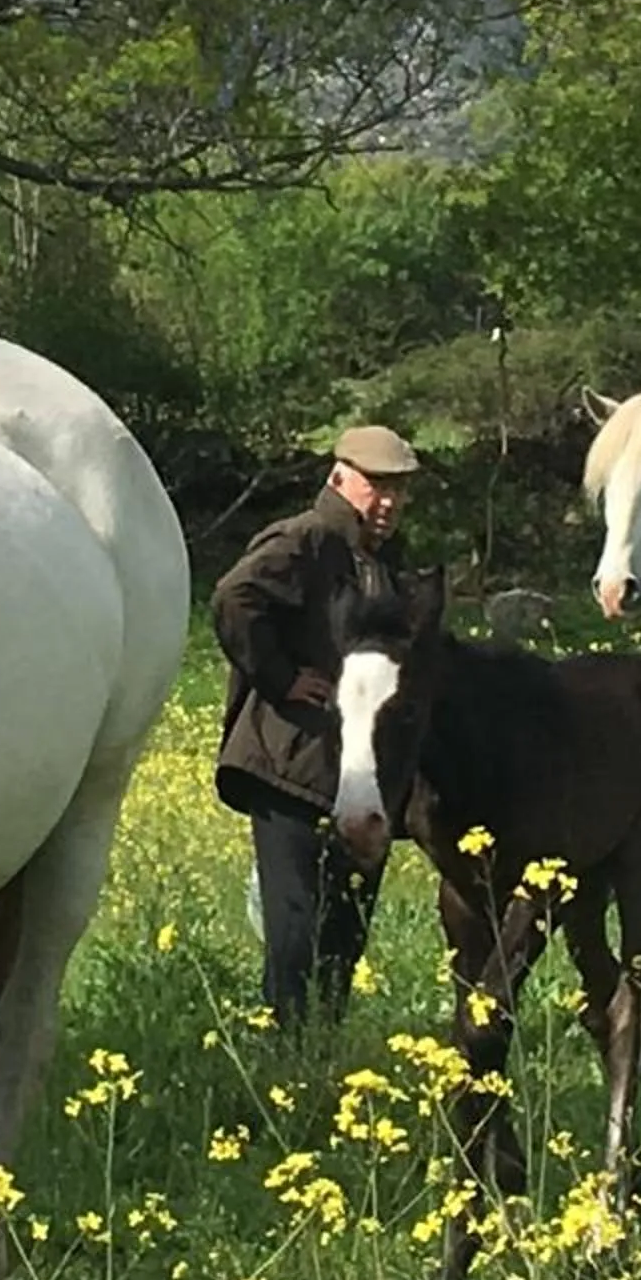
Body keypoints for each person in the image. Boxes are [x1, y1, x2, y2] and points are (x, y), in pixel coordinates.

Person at [211, 424, 421, 1031]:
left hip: (354, 776)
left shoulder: (384, 562)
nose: (388, 503)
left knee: (344, 935)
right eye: (376, 486)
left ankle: (320, 1052)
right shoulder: (307, 539)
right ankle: (287, 1059)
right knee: (295, 932)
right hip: (289, 765)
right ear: (339, 479)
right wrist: (279, 677)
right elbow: (233, 597)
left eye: (399, 492)